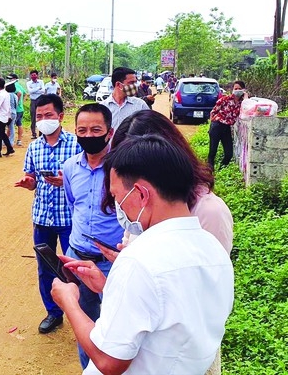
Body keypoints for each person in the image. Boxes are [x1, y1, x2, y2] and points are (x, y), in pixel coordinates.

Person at [52, 134, 234, 374]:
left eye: (117, 196)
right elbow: (171, 311)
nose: (118, 206)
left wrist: (69, 303)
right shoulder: (213, 249)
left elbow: (109, 361)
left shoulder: (140, 260)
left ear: (141, 194)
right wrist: (108, 286)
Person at [100, 109, 234, 375]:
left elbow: (201, 291)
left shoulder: (209, 211)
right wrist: (125, 270)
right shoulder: (146, 215)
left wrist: (137, 268)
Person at [14, 94, 81, 333]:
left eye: (48, 115)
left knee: (76, 266)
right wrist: (28, 182)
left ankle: (83, 313)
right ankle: (53, 313)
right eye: (39, 116)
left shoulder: (77, 144)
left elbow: (84, 177)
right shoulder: (34, 147)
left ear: (61, 116)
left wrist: (67, 181)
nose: (43, 120)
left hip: (69, 219)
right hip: (42, 218)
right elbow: (32, 179)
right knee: (45, 268)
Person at [62, 103, 121, 369]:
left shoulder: (121, 170)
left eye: (96, 129)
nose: (89, 135)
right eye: (82, 130)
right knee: (85, 324)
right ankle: (88, 369)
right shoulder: (70, 168)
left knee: (115, 326)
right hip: (78, 258)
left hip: (112, 263)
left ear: (109, 132)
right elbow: (73, 202)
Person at [208, 80, 246, 169]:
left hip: (227, 128)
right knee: (213, 151)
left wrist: (246, 97)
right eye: (235, 88)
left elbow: (248, 108)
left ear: (243, 90)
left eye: (239, 89)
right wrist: (212, 125)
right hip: (217, 125)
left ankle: (222, 168)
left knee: (229, 153)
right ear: (232, 89)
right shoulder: (225, 99)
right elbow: (213, 111)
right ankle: (210, 170)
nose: (237, 90)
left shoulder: (243, 103)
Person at [8, 73, 27, 146]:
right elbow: (25, 94)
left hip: (16, 109)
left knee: (11, 125)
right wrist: (22, 102)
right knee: (19, 123)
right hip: (20, 108)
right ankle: (19, 140)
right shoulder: (19, 85)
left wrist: (16, 103)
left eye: (11, 79)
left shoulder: (15, 85)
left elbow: (19, 93)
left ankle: (8, 139)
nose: (10, 80)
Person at [26, 69, 46, 139]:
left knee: (41, 116)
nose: (33, 76)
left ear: (37, 75)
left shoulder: (41, 82)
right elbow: (30, 91)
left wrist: (34, 90)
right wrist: (38, 88)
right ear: (30, 76)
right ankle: (33, 133)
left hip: (40, 100)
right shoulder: (28, 83)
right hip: (33, 100)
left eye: (35, 75)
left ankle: (41, 133)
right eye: (32, 75)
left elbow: (43, 91)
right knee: (33, 117)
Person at [5, 81, 18, 146]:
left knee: (3, 127)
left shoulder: (7, 95)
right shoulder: (15, 95)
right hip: (14, 112)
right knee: (11, 127)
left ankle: (4, 141)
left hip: (8, 113)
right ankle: (11, 141)